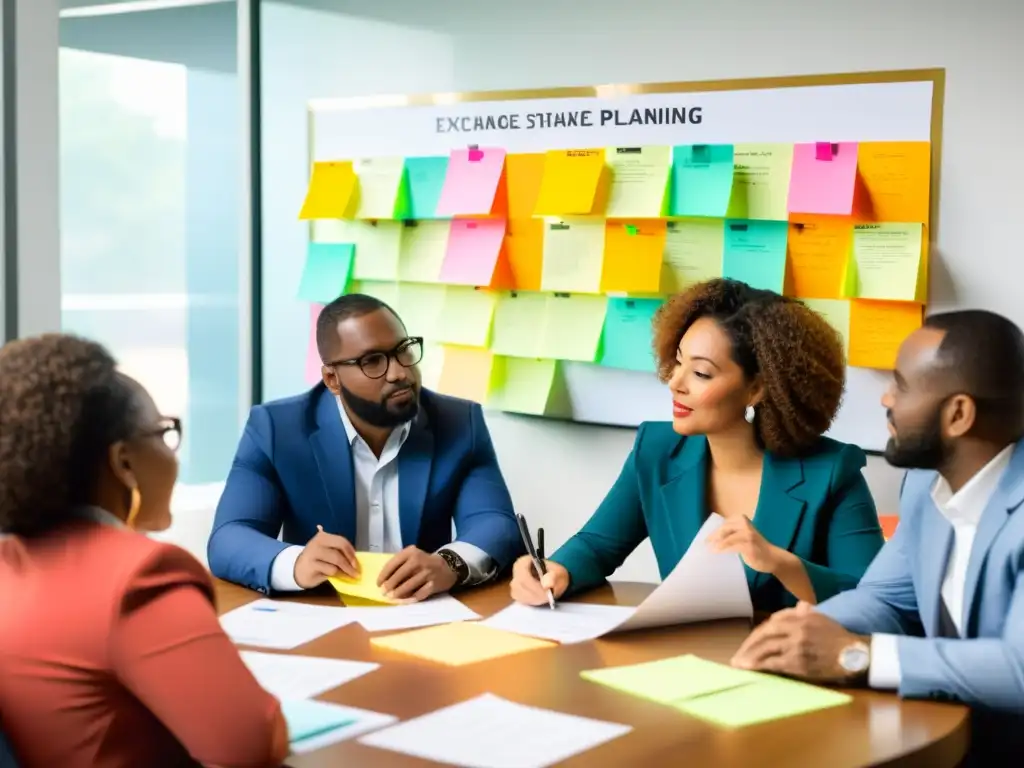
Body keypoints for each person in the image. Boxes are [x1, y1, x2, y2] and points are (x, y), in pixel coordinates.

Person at [731, 311, 1024, 751]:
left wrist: (859, 655)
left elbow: (1018, 670)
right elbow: (886, 598)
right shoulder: (927, 482)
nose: (886, 399)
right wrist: (802, 634)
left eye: (901, 385)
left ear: (958, 414)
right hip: (953, 734)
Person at [511, 279, 884, 612]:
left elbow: (875, 600)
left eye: (701, 373)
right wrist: (557, 570)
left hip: (791, 670)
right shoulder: (656, 450)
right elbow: (597, 546)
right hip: (688, 659)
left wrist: (778, 562)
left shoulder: (832, 472)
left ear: (757, 389)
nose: (675, 382)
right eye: (677, 363)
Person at [0, 335, 287, 768]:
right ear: (123, 463)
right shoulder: (140, 576)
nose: (173, 454)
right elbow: (250, 744)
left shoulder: (10, 563)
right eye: (163, 432)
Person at [209, 293, 522, 600]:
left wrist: (449, 564)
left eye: (404, 351)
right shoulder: (277, 429)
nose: (400, 372)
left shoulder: (458, 422)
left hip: (423, 616)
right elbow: (229, 537)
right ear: (333, 379)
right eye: (373, 361)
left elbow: (495, 523)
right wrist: (297, 562)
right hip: (321, 618)